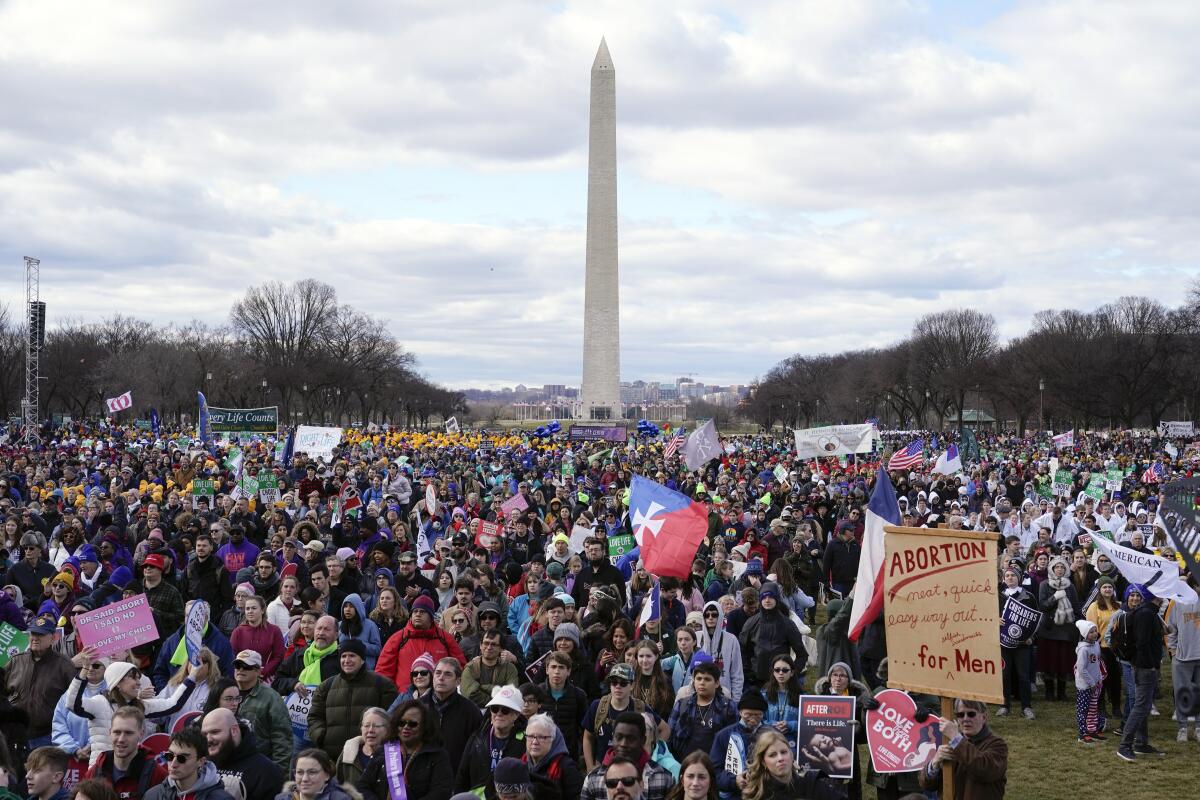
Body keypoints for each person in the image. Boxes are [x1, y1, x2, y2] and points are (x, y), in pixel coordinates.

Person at [65, 655, 202, 767]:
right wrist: (84, 670)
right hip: (101, 773)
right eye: (133, 678)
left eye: (138, 678)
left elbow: (173, 704)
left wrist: (193, 675)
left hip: (129, 774)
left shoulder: (140, 706)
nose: (138, 683)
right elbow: (72, 704)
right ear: (117, 682)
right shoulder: (99, 702)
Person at [308, 640, 399, 762]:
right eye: (343, 656)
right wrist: (321, 737)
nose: (347, 660)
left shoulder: (382, 684)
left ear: (362, 659)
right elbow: (314, 717)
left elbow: (391, 718)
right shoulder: (326, 686)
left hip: (369, 757)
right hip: (332, 757)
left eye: (352, 656)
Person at [355, 700, 454, 800]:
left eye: (412, 724)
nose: (406, 727)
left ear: (424, 726)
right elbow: (362, 786)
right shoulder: (383, 752)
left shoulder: (437, 755)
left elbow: (441, 792)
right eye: (401, 723)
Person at [6, 613, 75, 748]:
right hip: (13, 736)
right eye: (33, 634)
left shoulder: (64, 665)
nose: (35, 638)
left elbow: (73, 702)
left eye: (41, 635)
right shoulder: (16, 660)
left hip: (47, 737)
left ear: (53, 638)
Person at [1117, 583, 1166, 761]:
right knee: (1141, 707)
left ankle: (1141, 743)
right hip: (1145, 667)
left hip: (1145, 666)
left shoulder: (1148, 611)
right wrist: (1151, 665)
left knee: (1143, 706)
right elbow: (1142, 643)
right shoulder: (1146, 613)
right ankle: (1124, 746)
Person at [376, 595, 466, 691]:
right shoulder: (397, 638)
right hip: (404, 698)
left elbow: (461, 668)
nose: (418, 614)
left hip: (439, 697)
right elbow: (383, 672)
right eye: (415, 611)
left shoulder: (445, 638)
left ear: (431, 617)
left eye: (422, 612)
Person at [920, 700, 1007, 799]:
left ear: (984, 717)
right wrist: (934, 763)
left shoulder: (997, 745)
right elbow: (927, 785)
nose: (965, 719)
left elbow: (984, 770)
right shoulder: (951, 742)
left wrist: (955, 737)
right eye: (961, 715)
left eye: (971, 714)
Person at [581, 712, 675, 800]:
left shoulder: (664, 778)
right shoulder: (593, 779)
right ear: (613, 738)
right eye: (619, 737)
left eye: (631, 739)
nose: (623, 744)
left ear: (643, 740)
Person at [456, 685, 528, 798]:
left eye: (505, 710)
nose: (498, 713)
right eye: (494, 708)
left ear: (516, 715)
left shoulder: (526, 742)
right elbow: (462, 775)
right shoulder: (477, 738)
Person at [229, 650, 294, 773]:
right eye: (237, 666)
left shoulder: (272, 698)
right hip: (228, 765)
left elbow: (282, 739)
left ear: (258, 671)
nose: (241, 670)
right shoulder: (225, 692)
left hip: (258, 769)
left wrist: (279, 774)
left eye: (247, 667)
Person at [85, 707, 169, 799]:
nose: (121, 739)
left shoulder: (156, 775)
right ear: (110, 733)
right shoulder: (95, 772)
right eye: (117, 732)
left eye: (128, 733)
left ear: (141, 734)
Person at [202, 708, 285, 800]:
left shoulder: (267, 771)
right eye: (204, 734)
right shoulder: (201, 765)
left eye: (215, 732)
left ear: (234, 730)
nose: (208, 739)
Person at [739, 729, 844, 800]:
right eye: (772, 755)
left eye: (784, 752)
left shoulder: (810, 782)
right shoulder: (756, 793)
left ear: (791, 754)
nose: (780, 758)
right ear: (763, 762)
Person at [738, 584, 806, 689]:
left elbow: (802, 654)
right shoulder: (751, 622)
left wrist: (791, 673)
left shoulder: (787, 624)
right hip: (756, 681)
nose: (767, 600)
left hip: (781, 681)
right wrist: (748, 672)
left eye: (771, 597)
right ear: (760, 599)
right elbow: (742, 649)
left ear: (777, 599)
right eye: (764, 597)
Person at [666, 663, 736, 761]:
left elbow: (735, 741)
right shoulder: (682, 704)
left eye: (707, 679)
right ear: (694, 681)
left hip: (716, 766)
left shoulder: (728, 707)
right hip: (683, 764)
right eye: (699, 679)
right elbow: (669, 736)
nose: (702, 683)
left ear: (716, 683)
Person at [424, 657, 483, 770]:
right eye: (438, 673)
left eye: (448, 674)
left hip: (455, 776)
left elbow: (476, 750)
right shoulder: (417, 708)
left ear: (458, 681)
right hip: (423, 775)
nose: (441, 678)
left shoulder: (471, 711)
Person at [144, 728, 236, 800]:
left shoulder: (222, 798)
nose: (173, 764)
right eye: (170, 756)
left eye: (182, 758)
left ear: (201, 761)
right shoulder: (152, 795)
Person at [1037, 555, 1081, 703]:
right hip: (1049, 629)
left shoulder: (1070, 585)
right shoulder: (1044, 584)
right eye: (1057, 567)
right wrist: (1054, 597)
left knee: (1063, 662)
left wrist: (1076, 622)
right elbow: (1042, 606)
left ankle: (1062, 692)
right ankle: (1049, 692)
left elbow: (1076, 606)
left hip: (1066, 629)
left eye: (1062, 567)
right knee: (1049, 662)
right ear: (1052, 569)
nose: (1060, 569)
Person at [708, 694, 767, 800]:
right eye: (748, 715)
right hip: (733, 795)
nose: (753, 719)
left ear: (763, 714)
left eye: (758, 715)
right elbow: (714, 771)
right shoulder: (724, 736)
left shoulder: (772, 735)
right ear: (740, 712)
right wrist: (734, 780)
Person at [997, 565, 1037, 720]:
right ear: (1003, 578)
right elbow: (987, 616)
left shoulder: (1029, 596)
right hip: (1003, 643)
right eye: (1007, 576)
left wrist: (1031, 637)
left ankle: (1026, 706)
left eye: (1012, 575)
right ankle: (1004, 705)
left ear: (1019, 578)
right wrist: (995, 621)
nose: (1009, 578)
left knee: (1023, 676)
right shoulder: (998, 596)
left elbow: (1036, 620)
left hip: (1022, 644)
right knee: (1004, 675)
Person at [521, 712, 584, 800]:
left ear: (553, 739)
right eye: (531, 736)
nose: (535, 742)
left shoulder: (567, 768)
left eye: (542, 737)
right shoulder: (520, 764)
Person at [277, 615, 341, 695]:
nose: (321, 633)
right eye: (319, 628)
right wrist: (293, 684)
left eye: (327, 629)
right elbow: (277, 681)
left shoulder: (342, 659)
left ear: (336, 635)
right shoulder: (299, 655)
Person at [696, 602, 743, 702]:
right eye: (707, 615)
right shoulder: (696, 637)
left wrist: (735, 701)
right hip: (699, 697)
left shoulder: (731, 639)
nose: (710, 618)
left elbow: (737, 673)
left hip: (724, 697)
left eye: (714, 614)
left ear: (720, 616)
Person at [231, 596, 286, 681]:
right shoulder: (238, 632)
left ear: (262, 610)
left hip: (266, 678)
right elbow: (232, 655)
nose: (250, 611)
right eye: (247, 609)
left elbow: (278, 656)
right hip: (242, 676)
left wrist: (263, 671)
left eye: (254, 608)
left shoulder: (274, 631)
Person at [462, 630, 521, 707]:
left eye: (493, 644)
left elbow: (511, 693)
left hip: (502, 712)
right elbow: (470, 695)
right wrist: (496, 698)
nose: (489, 647)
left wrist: (482, 687)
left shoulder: (509, 668)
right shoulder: (471, 668)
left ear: (501, 648)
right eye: (486, 643)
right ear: (480, 645)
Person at [336, 707, 389, 788]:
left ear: (387, 730)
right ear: (361, 728)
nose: (370, 730)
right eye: (367, 726)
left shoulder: (395, 756)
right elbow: (337, 786)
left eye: (376, 726)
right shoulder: (347, 754)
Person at [278, 748, 356, 800]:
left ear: (327, 775)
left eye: (312, 772)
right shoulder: (281, 799)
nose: (305, 779)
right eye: (300, 772)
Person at [759, 655, 800, 751]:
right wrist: (773, 725)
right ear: (773, 672)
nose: (781, 673)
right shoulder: (764, 694)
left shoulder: (801, 696)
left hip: (792, 744)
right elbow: (758, 720)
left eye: (785, 670)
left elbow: (807, 723)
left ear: (792, 672)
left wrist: (790, 725)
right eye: (777, 670)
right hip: (768, 742)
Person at [339, 594, 382, 670]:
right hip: (345, 670)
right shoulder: (339, 625)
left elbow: (377, 649)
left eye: (351, 606)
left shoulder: (370, 625)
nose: (347, 609)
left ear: (358, 608)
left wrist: (360, 645)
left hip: (366, 671)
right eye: (345, 606)